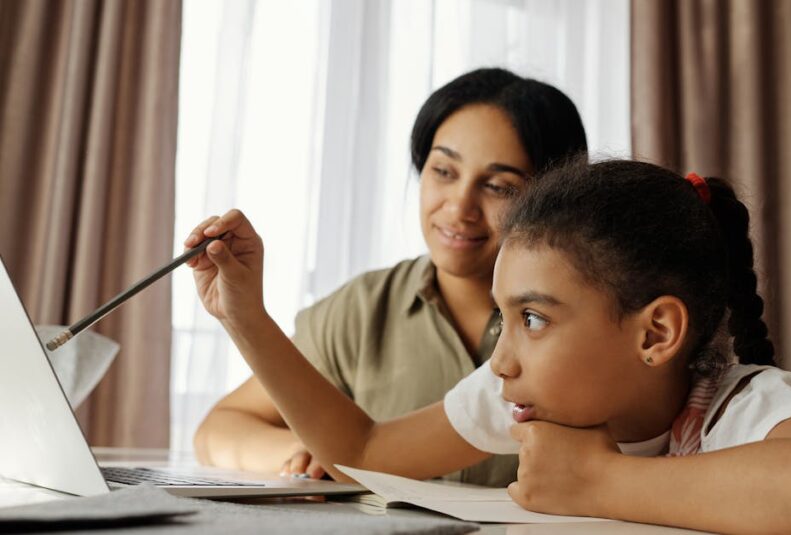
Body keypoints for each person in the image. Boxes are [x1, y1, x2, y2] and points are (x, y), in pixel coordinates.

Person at [186, 158, 791, 533]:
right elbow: (367, 450)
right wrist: (244, 315)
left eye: (533, 318)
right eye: (503, 318)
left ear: (656, 333)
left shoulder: (742, 403)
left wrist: (600, 482)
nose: (500, 359)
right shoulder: (522, 395)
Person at [191, 68, 587, 487]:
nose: (459, 208)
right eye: (444, 172)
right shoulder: (362, 309)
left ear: (553, 199)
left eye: (498, 186)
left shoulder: (581, 326)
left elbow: (359, 450)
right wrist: (304, 452)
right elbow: (221, 430)